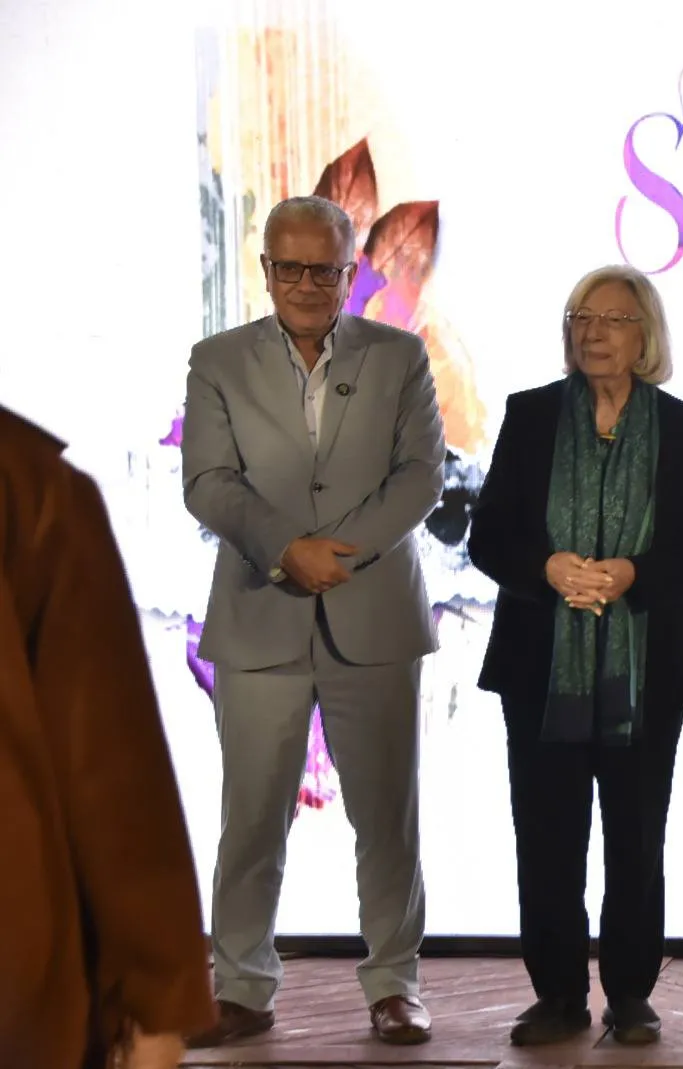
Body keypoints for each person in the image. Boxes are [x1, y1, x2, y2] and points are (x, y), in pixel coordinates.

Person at [180, 195, 446, 1047]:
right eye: (288, 267)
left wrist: (342, 553)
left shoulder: (400, 356)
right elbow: (208, 481)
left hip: (375, 617)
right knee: (253, 816)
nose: (305, 284)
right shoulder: (217, 360)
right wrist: (286, 548)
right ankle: (242, 985)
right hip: (259, 614)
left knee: (387, 818)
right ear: (264, 270)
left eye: (323, 270)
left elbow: (421, 477)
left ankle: (395, 983)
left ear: (349, 271)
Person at [467, 264, 683, 1048]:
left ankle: (630, 993)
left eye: (612, 319)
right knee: (546, 833)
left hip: (646, 670)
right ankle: (556, 994)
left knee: (635, 837)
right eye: (581, 317)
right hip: (538, 665)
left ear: (644, 334)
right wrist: (547, 567)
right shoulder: (530, 416)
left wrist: (633, 575)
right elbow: (488, 536)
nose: (593, 332)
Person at [0, 404, 216, 1069]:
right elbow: (108, 761)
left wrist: (158, 994)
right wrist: (156, 1001)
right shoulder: (27, 483)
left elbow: (107, 759)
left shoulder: (28, 488)